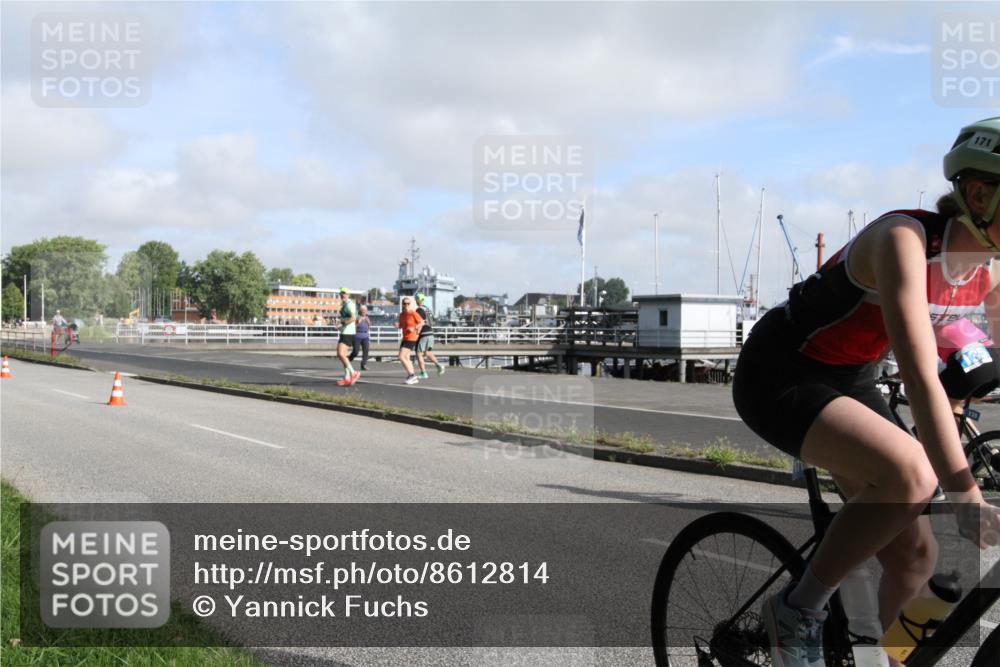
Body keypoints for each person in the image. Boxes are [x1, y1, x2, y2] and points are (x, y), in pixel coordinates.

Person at [733, 117, 1000, 667]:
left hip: (850, 379)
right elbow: (921, 375)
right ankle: (796, 610)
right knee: (914, 475)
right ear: (979, 195)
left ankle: (877, 660)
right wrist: (965, 493)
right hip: (780, 372)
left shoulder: (989, 273)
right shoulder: (903, 240)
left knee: (916, 557)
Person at [414, 293, 446, 379]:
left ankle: (423, 373)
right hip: (430, 333)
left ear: (416, 300)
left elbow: (421, 322)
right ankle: (439, 365)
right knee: (427, 352)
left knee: (418, 354)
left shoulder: (419, 310)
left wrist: (416, 333)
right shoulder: (427, 309)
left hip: (424, 334)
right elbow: (432, 321)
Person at [396, 296, 424, 384]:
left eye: (408, 303)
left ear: (410, 304)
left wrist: (414, 328)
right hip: (405, 338)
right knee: (407, 357)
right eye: (405, 303)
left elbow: (422, 322)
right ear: (402, 304)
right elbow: (401, 325)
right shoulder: (402, 315)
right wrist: (397, 325)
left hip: (411, 338)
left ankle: (412, 375)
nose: (406, 305)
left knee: (401, 356)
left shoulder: (413, 313)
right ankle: (412, 376)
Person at [335, 288, 360, 386]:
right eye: (341, 293)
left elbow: (353, 318)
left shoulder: (350, 304)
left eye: (344, 293)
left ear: (348, 294)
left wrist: (342, 323)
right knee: (342, 355)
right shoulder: (345, 304)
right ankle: (347, 377)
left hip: (348, 333)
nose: (342, 295)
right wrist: (340, 324)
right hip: (344, 331)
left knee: (341, 354)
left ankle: (353, 373)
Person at [349, 305, 371, 371]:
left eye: (365, 310)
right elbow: (353, 327)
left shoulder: (367, 318)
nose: (364, 312)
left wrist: (369, 323)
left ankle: (363, 365)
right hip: (357, 336)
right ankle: (349, 359)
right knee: (356, 351)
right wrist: (358, 323)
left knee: (366, 350)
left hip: (365, 336)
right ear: (360, 311)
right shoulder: (357, 317)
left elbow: (369, 327)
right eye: (363, 310)